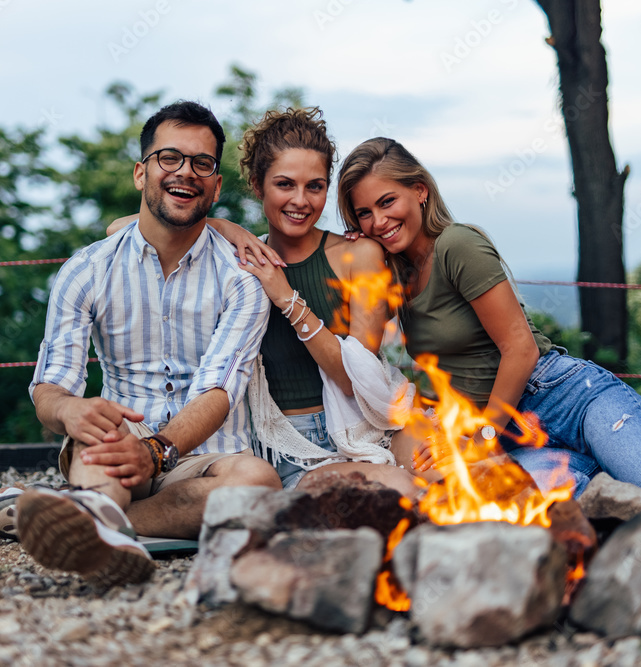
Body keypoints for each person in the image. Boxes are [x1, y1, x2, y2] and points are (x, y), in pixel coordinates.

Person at [336, 136, 641, 503]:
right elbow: (359, 343)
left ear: (420, 191)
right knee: (568, 511)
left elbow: (520, 350)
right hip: (513, 436)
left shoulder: (456, 245)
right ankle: (620, 463)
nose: (379, 221)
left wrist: (479, 440)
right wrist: (348, 252)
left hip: (564, 399)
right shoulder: (395, 275)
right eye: (364, 214)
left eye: (387, 202)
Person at [0, 101, 281, 587]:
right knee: (96, 433)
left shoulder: (242, 279)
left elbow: (218, 392)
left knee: (260, 485)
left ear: (216, 185)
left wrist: (160, 452)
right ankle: (97, 508)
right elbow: (50, 386)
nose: (186, 172)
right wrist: (69, 412)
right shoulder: (86, 270)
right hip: (119, 444)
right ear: (141, 173)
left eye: (202, 163)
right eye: (170, 158)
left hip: (207, 458)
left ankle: (86, 518)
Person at [108, 108, 418, 496]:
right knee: (396, 495)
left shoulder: (360, 256)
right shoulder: (239, 258)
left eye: (315, 186)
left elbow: (354, 380)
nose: (301, 201)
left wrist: (285, 297)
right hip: (291, 449)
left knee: (448, 484)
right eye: (285, 184)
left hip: (370, 425)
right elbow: (118, 228)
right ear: (258, 185)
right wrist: (223, 228)